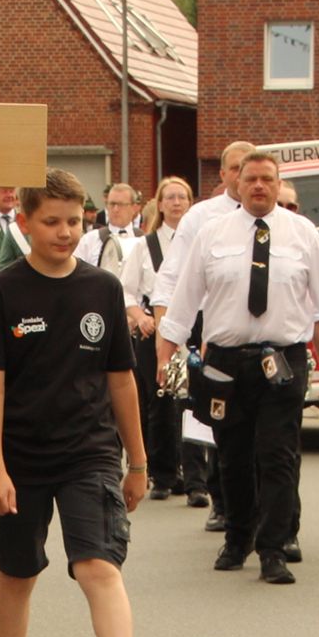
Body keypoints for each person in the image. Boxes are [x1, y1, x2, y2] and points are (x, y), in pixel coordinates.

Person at [0, 168, 163, 637]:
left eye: (74, 222)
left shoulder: (102, 288)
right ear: (25, 222)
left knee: (98, 564)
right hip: (20, 455)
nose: (64, 232)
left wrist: (138, 462)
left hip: (90, 451)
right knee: (17, 570)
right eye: (51, 222)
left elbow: (121, 380)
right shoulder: (0, 293)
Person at [157, 152, 319, 585]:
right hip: (227, 363)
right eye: (250, 178)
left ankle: (274, 549)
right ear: (237, 184)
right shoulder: (212, 233)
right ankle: (237, 538)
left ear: (277, 182)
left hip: (282, 361)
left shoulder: (302, 234)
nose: (259, 186)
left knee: (277, 455)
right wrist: (166, 350)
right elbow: (185, 296)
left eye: (267, 179)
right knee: (232, 457)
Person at [155, 140, 255, 533]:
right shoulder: (202, 218)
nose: (244, 176)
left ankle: (268, 513)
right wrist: (168, 342)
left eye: (250, 167)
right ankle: (222, 502)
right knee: (217, 420)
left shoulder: (278, 215)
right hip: (209, 329)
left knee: (263, 431)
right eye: (236, 168)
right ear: (224, 174)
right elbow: (172, 277)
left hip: (261, 333)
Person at [119, 177, 201, 504]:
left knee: (194, 403)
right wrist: (140, 317)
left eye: (183, 197)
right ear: (160, 204)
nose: (177, 202)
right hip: (154, 329)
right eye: (171, 197)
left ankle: (196, 479)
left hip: (194, 328)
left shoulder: (201, 241)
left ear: (191, 203)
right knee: (159, 401)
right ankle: (163, 474)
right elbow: (126, 290)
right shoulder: (145, 246)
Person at [74, 182, 142, 272]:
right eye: (112, 204)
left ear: (134, 208)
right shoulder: (90, 240)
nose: (115, 209)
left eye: (121, 204)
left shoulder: (143, 240)